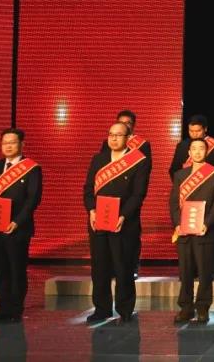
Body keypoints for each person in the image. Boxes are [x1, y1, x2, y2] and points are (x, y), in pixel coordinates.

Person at [84, 122, 152, 324]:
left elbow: (138, 194)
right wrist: (91, 210)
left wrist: (123, 216)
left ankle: (125, 309)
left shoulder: (138, 161)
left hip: (124, 223)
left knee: (123, 267)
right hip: (98, 222)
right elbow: (88, 189)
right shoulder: (98, 159)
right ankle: (101, 309)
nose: (113, 138)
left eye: (118, 135)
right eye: (111, 134)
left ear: (128, 138)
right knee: (99, 267)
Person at [0, 129, 42, 325]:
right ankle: (3, 309)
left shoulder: (32, 168)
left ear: (22, 144)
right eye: (4, 142)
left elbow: (33, 199)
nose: (8, 146)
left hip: (17, 229)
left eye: (12, 142)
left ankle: (15, 310)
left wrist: (17, 222)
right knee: (1, 271)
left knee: (16, 270)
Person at [170, 137, 214, 324]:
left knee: (204, 271)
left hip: (205, 230)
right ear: (189, 153)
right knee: (185, 271)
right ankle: (185, 308)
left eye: (201, 148)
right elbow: (173, 202)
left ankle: (203, 308)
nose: (197, 152)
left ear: (206, 152)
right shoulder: (180, 175)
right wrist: (177, 223)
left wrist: (207, 223)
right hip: (184, 230)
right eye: (194, 148)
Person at [98, 110, 151, 279]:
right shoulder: (107, 143)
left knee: (130, 234)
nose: (124, 125)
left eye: (128, 123)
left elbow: (146, 169)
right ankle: (110, 268)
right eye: (121, 122)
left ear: (133, 126)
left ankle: (132, 266)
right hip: (109, 197)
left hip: (130, 196)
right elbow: (102, 167)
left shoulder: (142, 145)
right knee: (108, 236)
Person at [169, 115, 214, 181]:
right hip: (185, 185)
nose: (194, 134)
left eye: (198, 131)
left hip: (208, 184)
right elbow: (174, 170)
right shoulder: (182, 146)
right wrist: (180, 184)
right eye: (191, 131)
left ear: (205, 129)